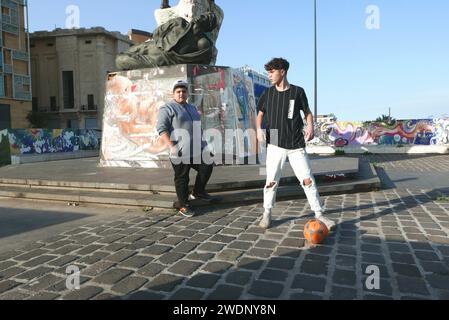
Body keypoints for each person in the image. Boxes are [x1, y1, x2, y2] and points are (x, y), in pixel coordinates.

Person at [256, 58, 336, 231]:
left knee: (308, 180)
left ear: (282, 71)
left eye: (272, 72)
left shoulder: (298, 92)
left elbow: (307, 112)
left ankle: (319, 214)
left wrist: (310, 126)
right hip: (275, 142)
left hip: (295, 143)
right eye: (268, 72)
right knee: (271, 181)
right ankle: (267, 213)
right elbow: (260, 115)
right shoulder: (267, 93)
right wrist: (258, 129)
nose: (269, 75)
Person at [157, 80, 216, 217]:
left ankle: (198, 192)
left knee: (207, 165)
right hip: (180, 151)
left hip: (197, 149)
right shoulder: (167, 108)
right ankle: (183, 205)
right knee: (182, 178)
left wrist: (205, 145)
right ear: (173, 94)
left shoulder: (192, 108)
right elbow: (161, 128)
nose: (181, 94)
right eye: (178, 92)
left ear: (187, 93)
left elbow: (197, 128)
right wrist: (171, 146)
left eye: (183, 91)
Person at [116, 12, 218, 70]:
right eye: (203, 14)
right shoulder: (179, 22)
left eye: (207, 18)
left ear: (208, 26)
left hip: (163, 60)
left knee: (120, 60)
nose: (201, 16)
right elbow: (156, 33)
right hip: (153, 46)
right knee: (122, 55)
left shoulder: (202, 43)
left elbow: (201, 66)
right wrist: (160, 40)